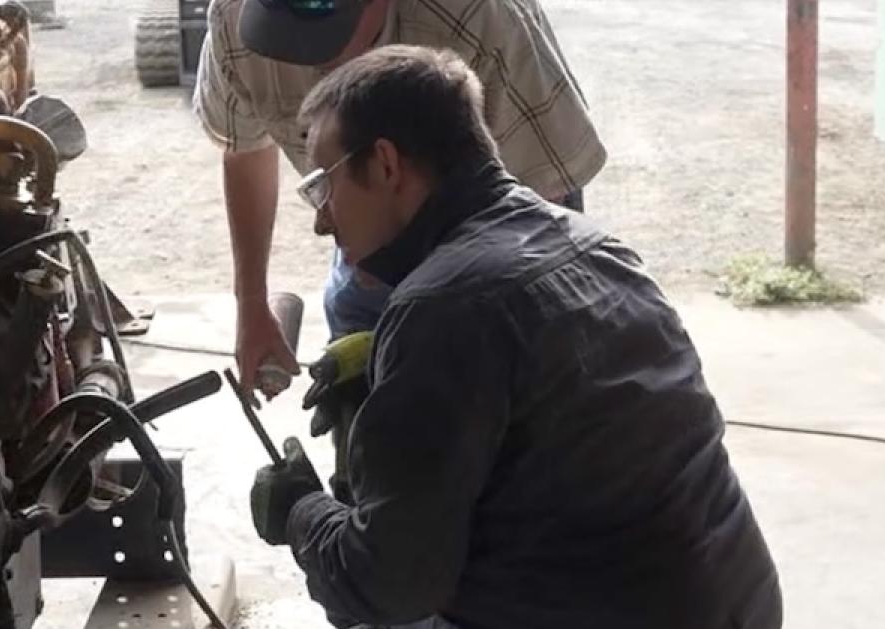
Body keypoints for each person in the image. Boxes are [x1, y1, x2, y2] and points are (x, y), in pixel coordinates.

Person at [217, 47, 783, 629]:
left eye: (323, 177)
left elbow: (391, 583)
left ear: (388, 165)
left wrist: (303, 511)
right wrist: (390, 380)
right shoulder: (583, 243)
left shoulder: (445, 309)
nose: (317, 212)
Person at [193, 0, 605, 395]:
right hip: (373, 245)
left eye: (321, 37)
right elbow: (244, 147)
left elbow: (549, 200)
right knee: (354, 348)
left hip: (492, 247)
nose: (302, 54)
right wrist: (250, 306)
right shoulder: (235, 17)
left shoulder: (479, 16)